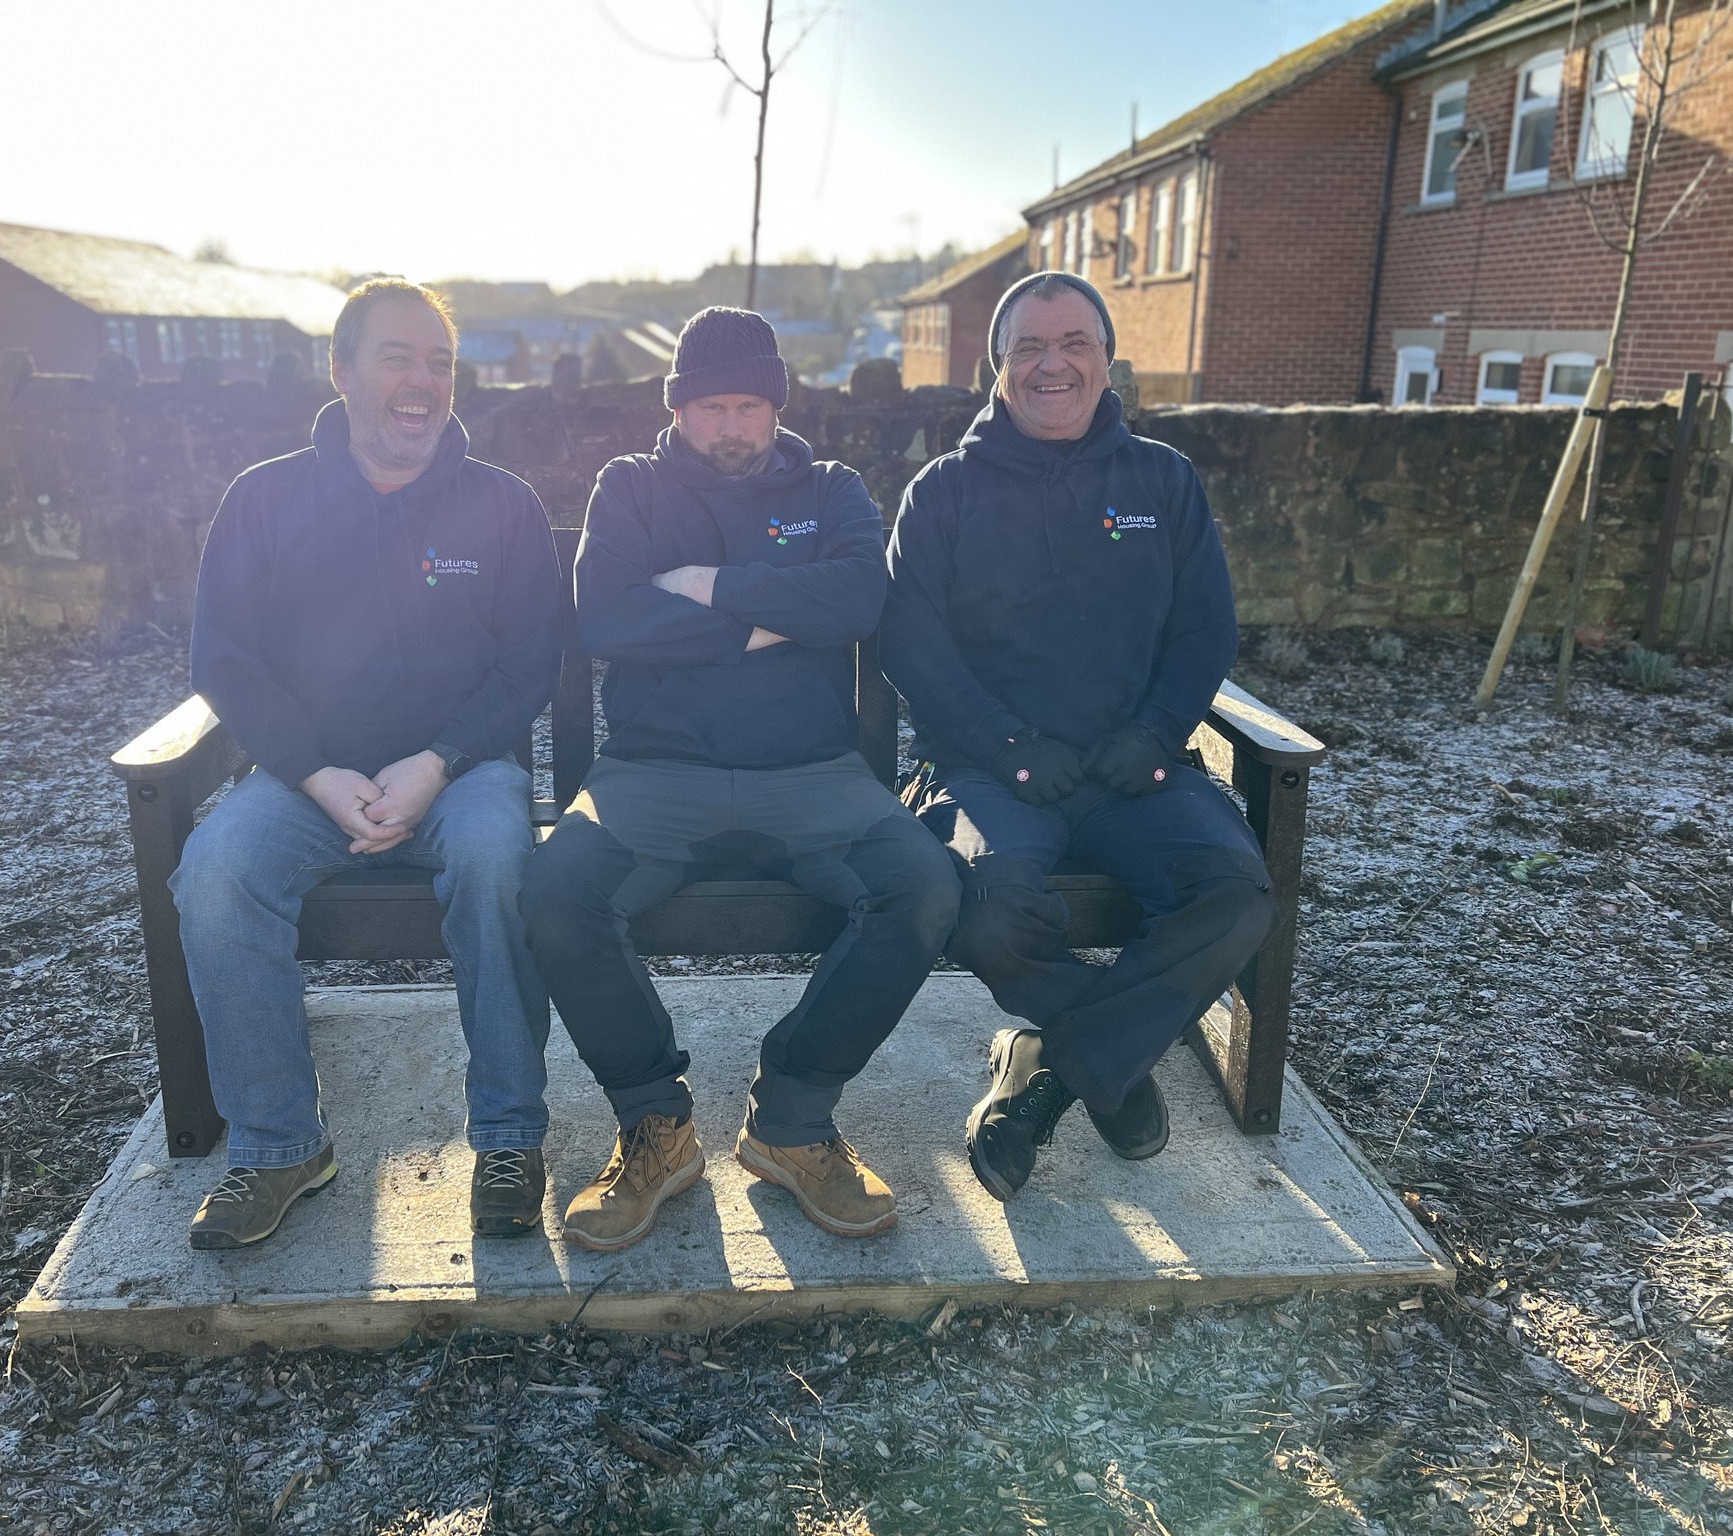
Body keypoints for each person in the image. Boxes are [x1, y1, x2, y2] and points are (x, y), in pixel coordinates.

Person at [521, 307, 959, 1252]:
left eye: (748, 406)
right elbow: (609, 620)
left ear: (776, 406)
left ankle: (793, 1121)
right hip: (653, 774)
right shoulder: (630, 486)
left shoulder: (832, 487)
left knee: (923, 886)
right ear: (679, 408)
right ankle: (655, 1124)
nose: (731, 426)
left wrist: (707, 586)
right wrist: (773, 617)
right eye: (711, 405)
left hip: (812, 775)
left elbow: (855, 596)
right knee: (556, 890)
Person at [172, 279, 561, 1248]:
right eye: (397, 356)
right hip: (310, 780)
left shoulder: (501, 508)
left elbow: (530, 664)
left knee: (498, 863)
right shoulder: (264, 502)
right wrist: (312, 773)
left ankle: (510, 1136)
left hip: (461, 776)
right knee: (216, 873)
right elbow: (222, 656)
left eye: (440, 362)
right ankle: (278, 1146)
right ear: (341, 371)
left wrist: (438, 760)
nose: (422, 380)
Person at [883, 271, 1276, 1201]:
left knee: (1237, 894)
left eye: (1074, 346)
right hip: (987, 772)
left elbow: (1205, 630)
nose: (1051, 364)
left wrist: (1152, 735)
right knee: (984, 912)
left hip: (1134, 769)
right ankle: (1115, 1063)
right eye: (1028, 347)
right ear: (998, 367)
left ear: (1107, 365)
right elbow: (912, 642)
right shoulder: (944, 491)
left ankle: (1048, 1081)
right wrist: (1008, 743)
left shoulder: (1162, 480)